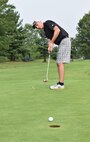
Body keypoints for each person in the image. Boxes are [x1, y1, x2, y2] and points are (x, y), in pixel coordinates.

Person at [32, 20, 71, 90]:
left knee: (60, 62)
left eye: (37, 24)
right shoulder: (46, 32)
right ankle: (60, 83)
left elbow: (57, 30)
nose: (37, 27)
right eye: (36, 27)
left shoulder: (47, 23)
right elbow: (51, 40)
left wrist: (52, 42)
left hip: (64, 40)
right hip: (61, 43)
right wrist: (50, 47)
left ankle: (61, 84)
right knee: (58, 63)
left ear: (40, 21)